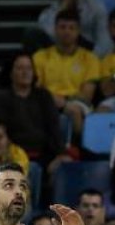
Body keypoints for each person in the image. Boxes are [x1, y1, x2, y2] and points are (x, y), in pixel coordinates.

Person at [33, 12, 100, 145]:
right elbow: (37, 88)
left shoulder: (90, 58)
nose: (66, 32)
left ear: (78, 31)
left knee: (74, 111)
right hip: (47, 101)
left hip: (77, 104)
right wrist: (55, 101)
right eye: (62, 27)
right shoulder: (40, 56)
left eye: (71, 28)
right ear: (55, 29)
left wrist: (64, 103)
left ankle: (75, 150)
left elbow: (86, 96)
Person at [0, 53, 63, 167]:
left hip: (45, 155)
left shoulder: (44, 96)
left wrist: (56, 155)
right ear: (11, 73)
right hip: (12, 156)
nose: (25, 72)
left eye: (29, 68)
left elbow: (53, 128)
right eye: (20, 68)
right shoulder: (1, 98)